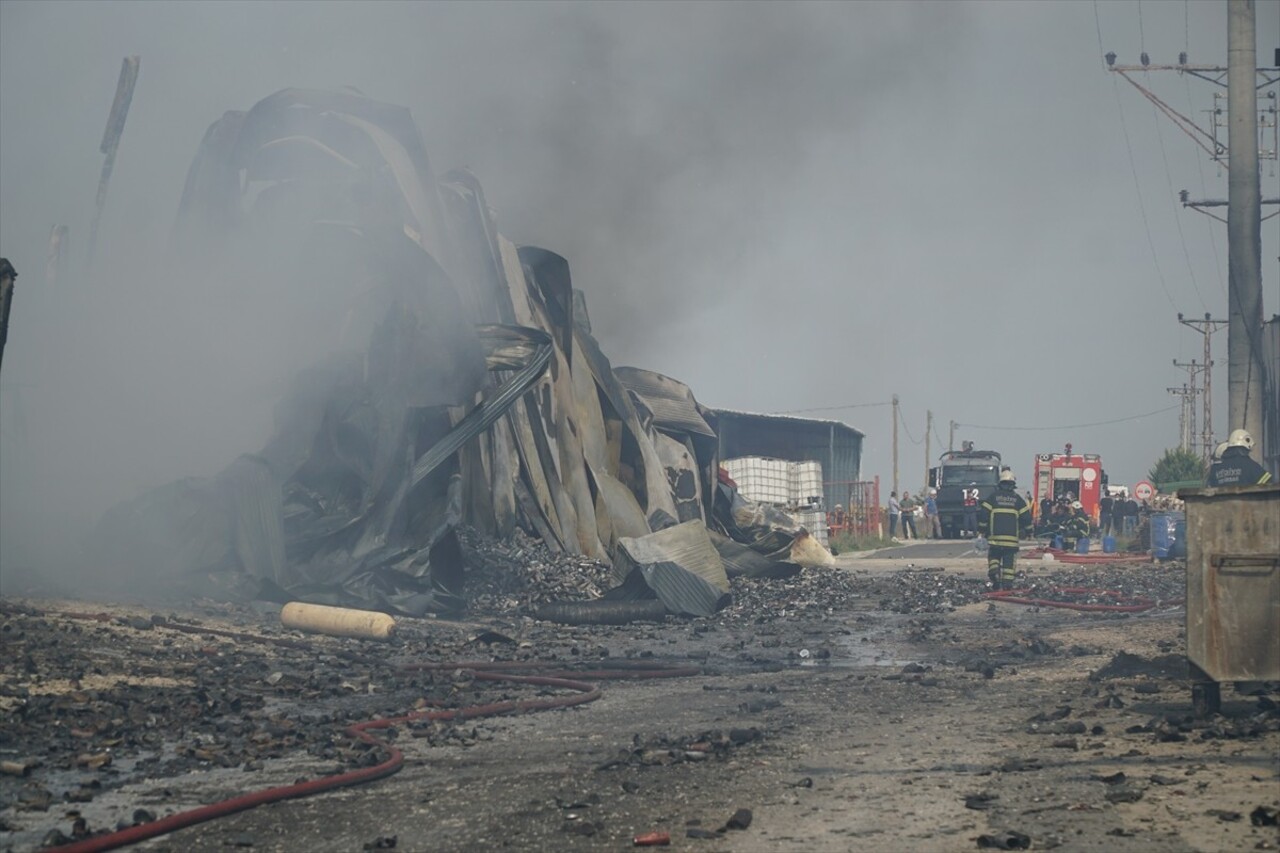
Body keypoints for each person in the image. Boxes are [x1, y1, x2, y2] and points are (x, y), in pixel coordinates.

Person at [978, 468, 1032, 590]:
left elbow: (983, 514)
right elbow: (1026, 518)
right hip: (1011, 541)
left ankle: (994, 572)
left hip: (995, 539)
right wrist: (1029, 532)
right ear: (1013, 485)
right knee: (1009, 563)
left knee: (994, 557)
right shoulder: (1017, 499)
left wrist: (982, 529)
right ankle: (1007, 585)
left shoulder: (993, 498)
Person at [1206, 429, 1272, 486]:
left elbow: (1209, 487)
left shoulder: (1215, 470)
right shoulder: (1251, 466)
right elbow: (1268, 484)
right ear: (1245, 448)